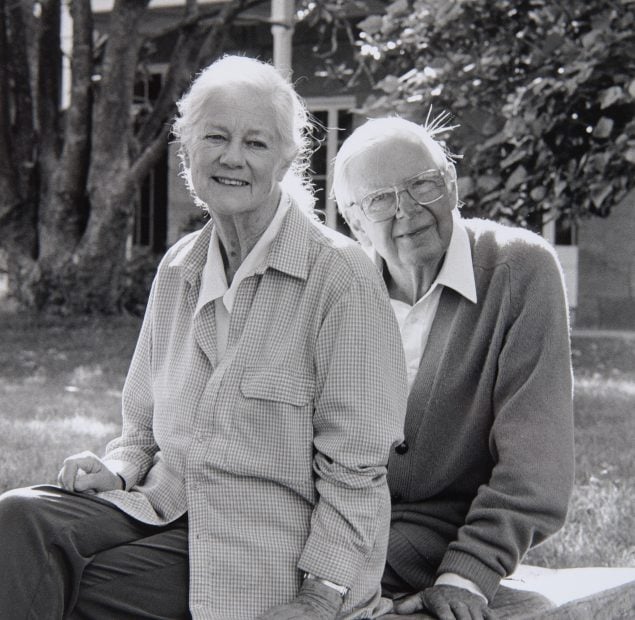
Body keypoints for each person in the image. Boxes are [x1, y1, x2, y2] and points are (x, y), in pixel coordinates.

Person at [0, 57, 408, 619]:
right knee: (18, 518)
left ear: (287, 157)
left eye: (255, 143)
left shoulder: (341, 278)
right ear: (187, 149)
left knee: (73, 588)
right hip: (163, 507)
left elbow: (357, 471)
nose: (232, 157)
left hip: (264, 544)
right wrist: (116, 471)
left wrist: (320, 598)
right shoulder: (178, 269)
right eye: (215, 137)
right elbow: (141, 428)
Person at [332, 116, 575, 620]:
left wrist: (468, 574)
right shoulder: (341, 291)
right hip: (327, 525)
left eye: (422, 184)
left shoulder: (519, 270)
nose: (408, 211)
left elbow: (535, 466)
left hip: (426, 543)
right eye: (380, 199)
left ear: (451, 186)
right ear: (354, 222)